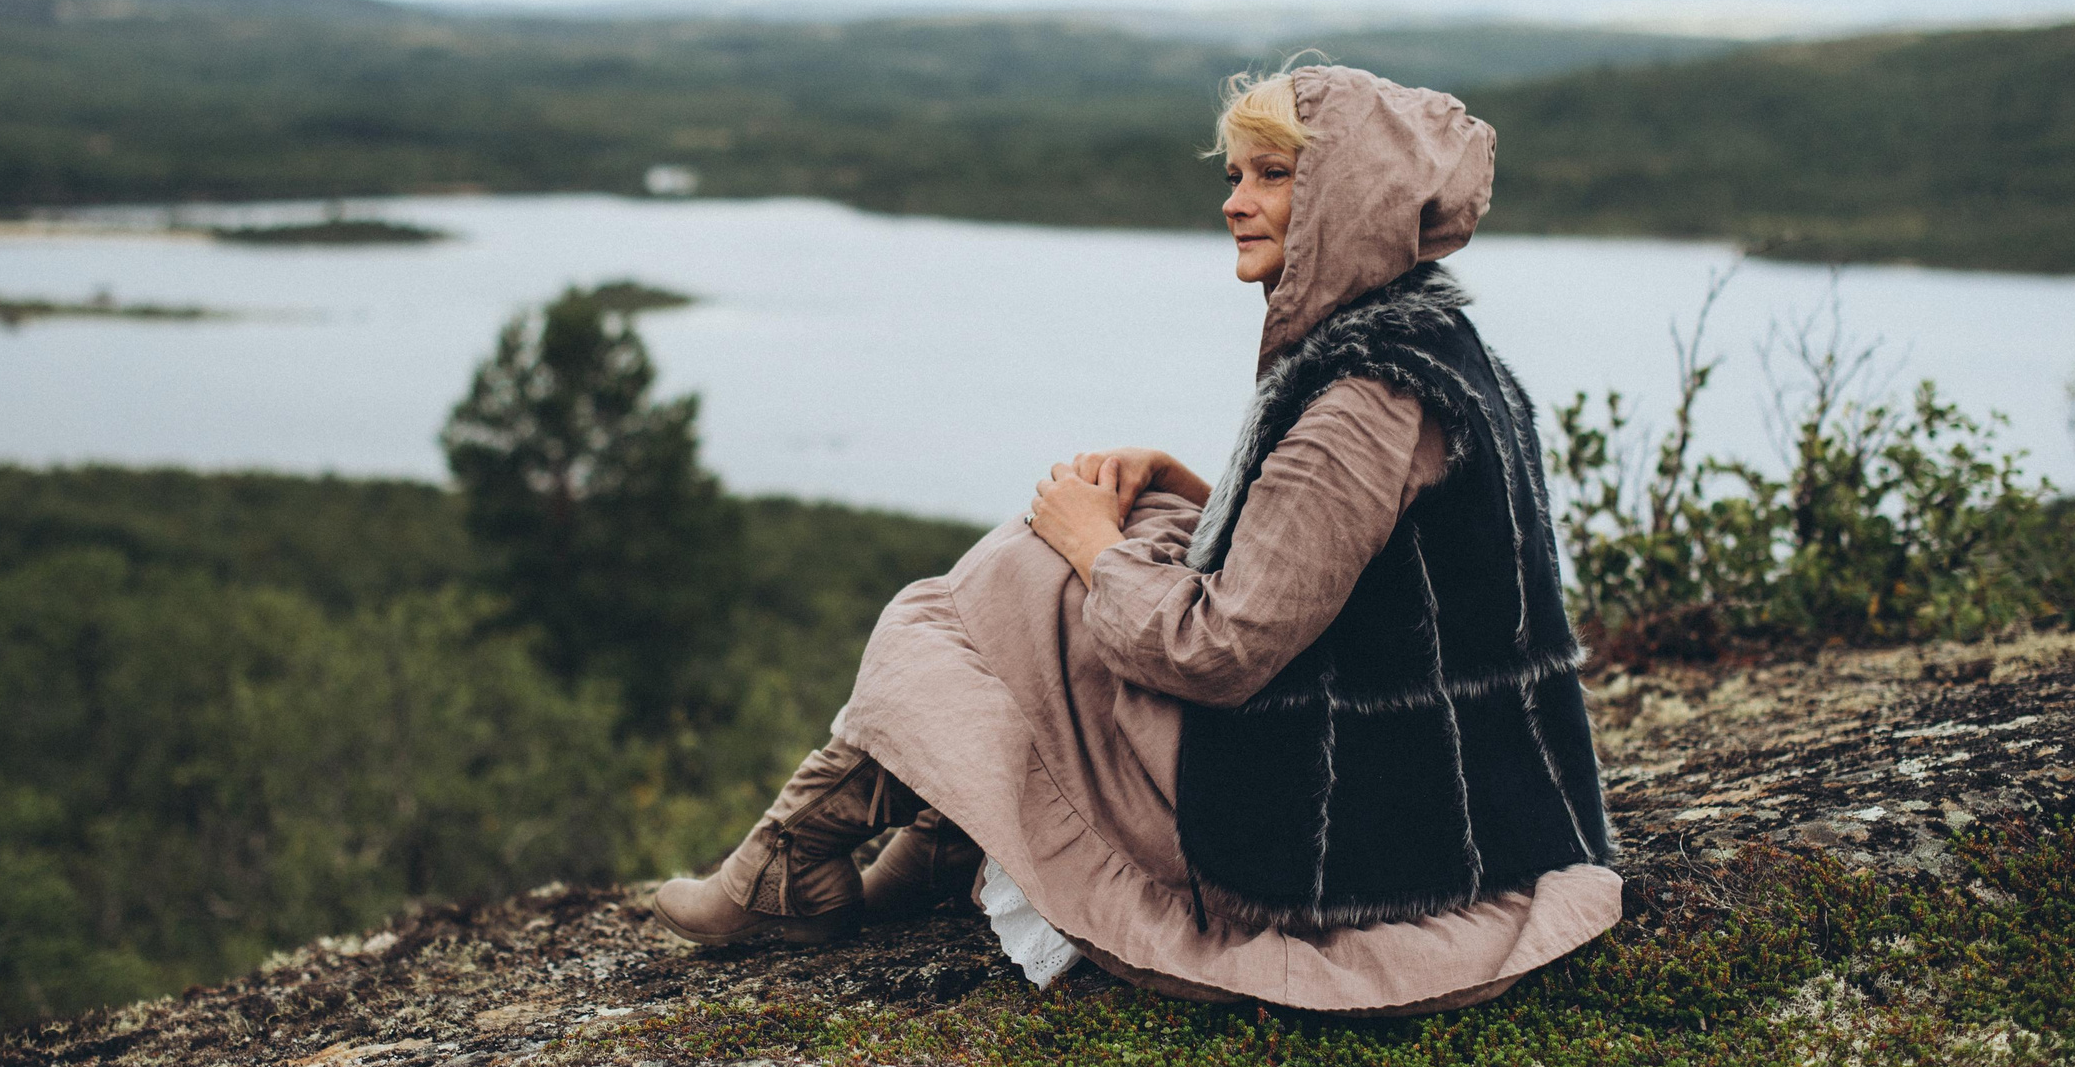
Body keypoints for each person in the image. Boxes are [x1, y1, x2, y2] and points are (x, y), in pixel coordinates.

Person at [653, 65, 1621, 1013]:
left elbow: (1219, 652)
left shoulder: (1362, 398)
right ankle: (918, 832)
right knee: (1133, 527)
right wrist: (1179, 488)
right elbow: (1374, 569)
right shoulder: (1433, 350)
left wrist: (1088, 547)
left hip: (1340, 832)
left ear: (1353, 198)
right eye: (1234, 176)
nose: (1237, 203)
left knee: (1015, 577)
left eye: (1274, 177)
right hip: (1437, 787)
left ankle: (802, 854)